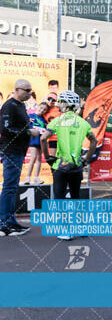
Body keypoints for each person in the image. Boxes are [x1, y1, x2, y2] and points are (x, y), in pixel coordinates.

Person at [41, 91, 97, 241]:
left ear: (65, 104)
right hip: (77, 165)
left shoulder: (58, 121)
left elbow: (43, 138)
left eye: (60, 102)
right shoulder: (83, 122)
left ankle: (65, 230)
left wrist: (48, 157)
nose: (59, 104)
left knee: (59, 198)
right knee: (75, 197)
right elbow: (94, 141)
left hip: (60, 165)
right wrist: (87, 159)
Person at [0, 79, 39, 236]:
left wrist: (31, 128)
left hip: (18, 151)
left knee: (12, 187)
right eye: (27, 90)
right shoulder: (9, 105)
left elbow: (19, 127)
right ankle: (4, 224)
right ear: (17, 89)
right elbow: (6, 128)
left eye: (30, 90)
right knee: (9, 187)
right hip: (11, 151)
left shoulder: (21, 105)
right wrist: (29, 132)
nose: (30, 93)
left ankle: (10, 221)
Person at [24, 102, 49, 185]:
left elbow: (46, 130)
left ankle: (36, 177)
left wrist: (47, 126)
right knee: (33, 157)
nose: (42, 110)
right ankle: (27, 177)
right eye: (41, 108)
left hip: (40, 140)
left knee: (39, 158)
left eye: (44, 109)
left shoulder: (44, 119)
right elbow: (24, 126)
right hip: (32, 140)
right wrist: (27, 121)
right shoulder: (30, 116)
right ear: (38, 106)